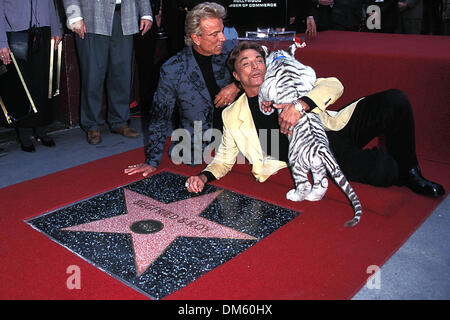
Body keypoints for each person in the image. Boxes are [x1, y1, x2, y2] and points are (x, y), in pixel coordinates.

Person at [185, 41, 445, 199]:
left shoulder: (286, 80)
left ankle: (412, 172)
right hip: (318, 157)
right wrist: (204, 177)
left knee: (394, 100)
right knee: (384, 171)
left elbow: (333, 85)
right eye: (246, 64)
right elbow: (225, 158)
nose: (256, 67)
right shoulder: (232, 115)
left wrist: (300, 105)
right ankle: (395, 167)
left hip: (334, 129)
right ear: (236, 76)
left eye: (259, 61)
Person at [125, 2, 240, 177]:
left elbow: (265, 62)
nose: (222, 38)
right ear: (196, 38)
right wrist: (152, 161)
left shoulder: (231, 52)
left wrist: (236, 86)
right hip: (195, 149)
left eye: (222, 31)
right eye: (214, 34)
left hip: (235, 141)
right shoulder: (173, 68)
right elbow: (160, 115)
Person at [62, 0, 153, 145]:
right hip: (91, 20)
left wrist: (146, 13)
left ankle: (119, 121)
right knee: (93, 76)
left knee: (122, 74)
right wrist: (74, 16)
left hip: (125, 16)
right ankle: (92, 125)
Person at [0, 0, 62, 152]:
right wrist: (2, 41)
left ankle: (40, 129)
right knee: (22, 85)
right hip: (16, 32)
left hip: (43, 30)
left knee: (43, 82)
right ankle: (24, 134)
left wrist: (56, 29)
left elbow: (50, 4)